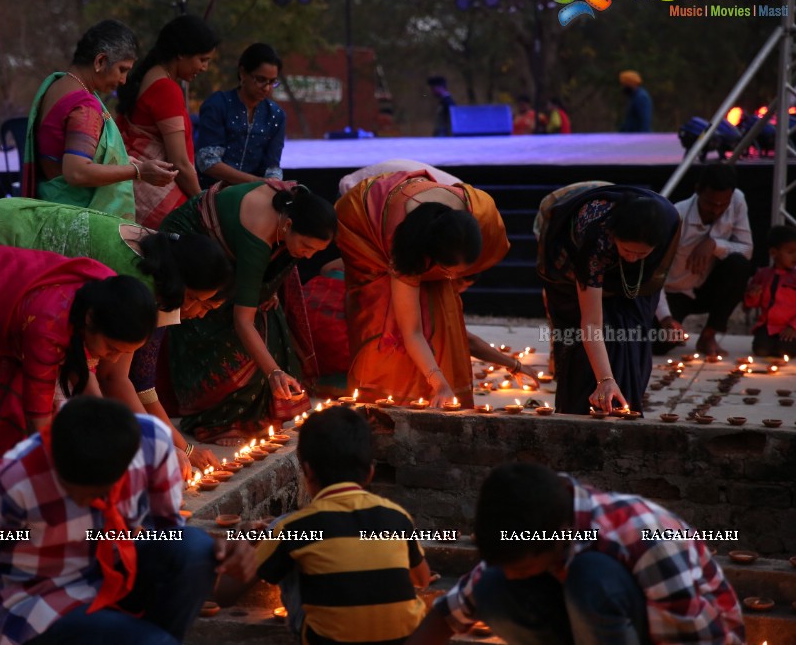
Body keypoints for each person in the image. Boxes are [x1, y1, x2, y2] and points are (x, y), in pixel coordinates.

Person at [0, 395, 257, 645]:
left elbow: (166, 535)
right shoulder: (11, 480)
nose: (87, 505)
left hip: (118, 569)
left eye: (101, 494)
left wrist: (223, 552)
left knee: (196, 550)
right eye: (75, 494)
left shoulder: (151, 444)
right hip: (41, 599)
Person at [0, 196, 232, 473]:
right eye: (196, 299)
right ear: (179, 281)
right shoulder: (125, 291)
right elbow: (109, 378)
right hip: (0, 234)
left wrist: (163, 444)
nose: (197, 311)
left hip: (16, 233)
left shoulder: (148, 274)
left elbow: (95, 376)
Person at [404, 463, 745, 645]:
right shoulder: (533, 529)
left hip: (689, 636)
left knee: (592, 577)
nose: (515, 578)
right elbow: (447, 614)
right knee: (491, 588)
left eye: (524, 570)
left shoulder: (644, 534)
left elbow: (697, 639)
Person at [0, 245, 157, 469]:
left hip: (4, 297)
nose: (113, 360)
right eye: (111, 348)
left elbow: (84, 376)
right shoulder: (47, 327)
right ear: (89, 319)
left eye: (122, 353)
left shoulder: (109, 293)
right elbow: (38, 419)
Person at [162, 182, 336, 444]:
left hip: (237, 246)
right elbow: (242, 321)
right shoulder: (258, 236)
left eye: (316, 252)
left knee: (270, 315)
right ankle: (219, 419)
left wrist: (268, 289)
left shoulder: (296, 206)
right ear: (287, 227)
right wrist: (273, 372)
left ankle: (259, 414)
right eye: (306, 246)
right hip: (193, 249)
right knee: (221, 319)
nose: (308, 256)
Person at [335, 167, 521, 408]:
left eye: (461, 272)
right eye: (447, 270)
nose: (453, 278)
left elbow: (462, 335)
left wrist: (513, 364)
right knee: (390, 319)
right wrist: (440, 383)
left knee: (442, 310)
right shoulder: (403, 247)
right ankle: (395, 394)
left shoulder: (477, 212)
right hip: (366, 226)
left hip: (414, 204)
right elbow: (411, 331)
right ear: (429, 256)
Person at [255, 406, 431, 643]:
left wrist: (260, 535)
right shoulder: (396, 517)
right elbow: (422, 579)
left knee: (290, 547)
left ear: (307, 470)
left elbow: (258, 575)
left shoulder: (296, 527)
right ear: (370, 472)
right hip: (405, 639)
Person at [535, 183, 680, 415]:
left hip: (626, 275)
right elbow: (591, 322)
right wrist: (604, 379)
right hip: (576, 261)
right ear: (614, 237)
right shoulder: (595, 239)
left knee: (633, 335)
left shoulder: (669, 223)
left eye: (642, 253)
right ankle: (580, 410)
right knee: (579, 343)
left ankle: (626, 405)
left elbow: (648, 285)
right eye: (626, 250)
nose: (633, 259)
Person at [23, 19, 177, 219]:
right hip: (73, 217)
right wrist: (137, 171)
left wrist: (119, 160)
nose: (123, 80)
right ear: (100, 61)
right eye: (122, 69)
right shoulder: (85, 106)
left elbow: (62, 152)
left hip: (50, 206)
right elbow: (76, 172)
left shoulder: (57, 85)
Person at [116, 14, 220, 229]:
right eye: (202, 59)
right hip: (156, 200)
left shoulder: (152, 76)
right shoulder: (166, 88)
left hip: (136, 190)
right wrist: (203, 206)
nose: (204, 67)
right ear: (181, 53)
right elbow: (179, 163)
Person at [653, 164, 753, 357]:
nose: (716, 211)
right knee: (658, 344)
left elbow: (747, 249)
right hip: (675, 291)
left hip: (708, 287)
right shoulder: (676, 217)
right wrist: (665, 317)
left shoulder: (737, 200)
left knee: (738, 265)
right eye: (710, 204)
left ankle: (709, 334)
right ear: (698, 190)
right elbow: (654, 274)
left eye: (722, 205)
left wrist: (714, 244)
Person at [197, 43, 287, 188]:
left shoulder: (276, 115)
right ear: (243, 72)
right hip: (212, 192)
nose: (267, 88)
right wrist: (254, 182)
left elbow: (272, 167)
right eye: (261, 79)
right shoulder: (218, 105)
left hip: (254, 194)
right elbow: (208, 162)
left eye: (272, 82)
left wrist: (273, 184)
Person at [744, 224, 796, 357]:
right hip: (768, 326)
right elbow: (751, 304)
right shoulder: (763, 274)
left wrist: (793, 327)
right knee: (761, 349)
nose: (795, 257)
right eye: (790, 252)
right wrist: (753, 294)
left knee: (786, 350)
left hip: (790, 326)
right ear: (774, 253)